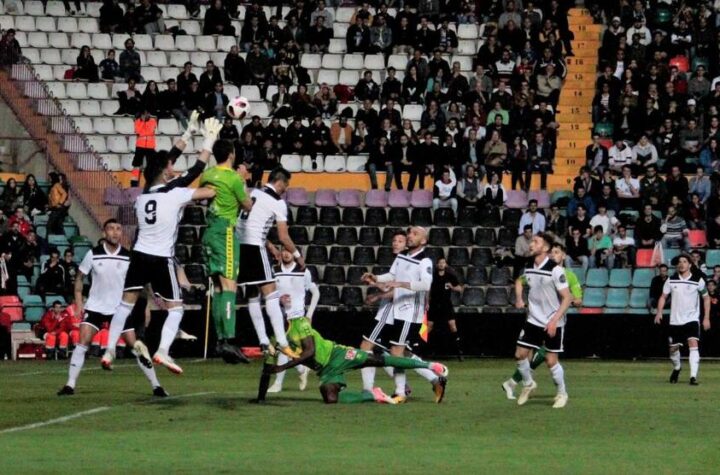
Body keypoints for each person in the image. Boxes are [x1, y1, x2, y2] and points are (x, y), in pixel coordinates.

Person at [101, 114, 218, 375]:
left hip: (139, 256)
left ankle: (109, 349)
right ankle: (163, 351)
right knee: (176, 309)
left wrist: (188, 134)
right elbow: (199, 174)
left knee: (125, 304)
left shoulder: (143, 196)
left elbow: (167, 163)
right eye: (171, 167)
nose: (174, 170)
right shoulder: (174, 193)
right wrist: (209, 139)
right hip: (161, 259)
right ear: (164, 171)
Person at [260, 294, 448, 405]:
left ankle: (430, 366)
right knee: (330, 398)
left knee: (380, 359)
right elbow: (267, 367)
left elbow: (309, 351)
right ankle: (371, 394)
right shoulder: (275, 337)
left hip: (337, 355)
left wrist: (282, 367)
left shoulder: (299, 323)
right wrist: (261, 397)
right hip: (325, 370)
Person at [57, 220, 167, 397]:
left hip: (119, 310)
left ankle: (156, 385)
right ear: (104, 233)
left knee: (137, 346)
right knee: (82, 342)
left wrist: (146, 308)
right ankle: (70, 385)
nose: (115, 233)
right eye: (111, 229)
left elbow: (142, 285)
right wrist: (78, 303)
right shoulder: (93, 254)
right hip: (95, 307)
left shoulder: (128, 256)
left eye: (118, 229)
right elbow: (79, 278)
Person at [361, 226, 434, 404]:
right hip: (398, 312)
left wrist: (400, 284)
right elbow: (391, 275)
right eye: (410, 233)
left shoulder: (425, 261)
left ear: (423, 241)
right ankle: (405, 389)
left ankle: (401, 390)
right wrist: (376, 278)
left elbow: (426, 284)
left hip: (410, 313)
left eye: (415, 234)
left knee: (396, 352)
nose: (410, 236)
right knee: (395, 352)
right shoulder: (402, 257)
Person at [237, 168, 305, 358]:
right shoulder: (277, 202)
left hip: (239, 245)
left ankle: (264, 342)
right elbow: (283, 236)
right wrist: (298, 255)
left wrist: (270, 247)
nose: (286, 188)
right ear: (280, 182)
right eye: (287, 184)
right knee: (272, 293)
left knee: (252, 295)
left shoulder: (254, 192)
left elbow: (250, 223)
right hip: (253, 247)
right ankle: (283, 342)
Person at [503, 242, 582, 400]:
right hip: (537, 320)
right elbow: (519, 281)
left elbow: (578, 300)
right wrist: (520, 299)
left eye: (557, 252)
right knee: (530, 355)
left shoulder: (568, 275)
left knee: (542, 356)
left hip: (555, 321)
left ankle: (513, 383)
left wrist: (568, 299)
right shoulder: (539, 271)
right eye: (552, 252)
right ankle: (517, 383)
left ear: (564, 255)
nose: (553, 255)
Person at [199, 140, 253, 364]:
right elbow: (248, 205)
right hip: (225, 232)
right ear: (231, 155)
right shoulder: (233, 178)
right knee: (230, 286)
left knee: (219, 287)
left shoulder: (207, 174)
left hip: (209, 232)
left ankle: (221, 341)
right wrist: (242, 179)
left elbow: (203, 196)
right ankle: (229, 339)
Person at [266, 248, 320, 394]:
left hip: (297, 318)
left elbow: (316, 292)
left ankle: (278, 383)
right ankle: (302, 369)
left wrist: (309, 315)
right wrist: (278, 299)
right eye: (284, 250)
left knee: (284, 349)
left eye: (290, 250)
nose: (286, 253)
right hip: (281, 317)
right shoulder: (274, 269)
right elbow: (269, 292)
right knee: (285, 349)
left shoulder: (303, 271)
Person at [655, 254, 711, 385]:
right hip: (675, 321)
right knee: (673, 349)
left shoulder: (698, 280)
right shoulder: (671, 280)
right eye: (679, 262)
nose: (681, 264)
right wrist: (659, 312)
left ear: (690, 264)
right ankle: (677, 367)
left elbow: (706, 298)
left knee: (693, 344)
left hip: (692, 319)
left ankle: (693, 377)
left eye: (685, 261)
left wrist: (706, 317)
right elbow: (663, 296)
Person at [427, 257, 464, 360]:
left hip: (446, 304)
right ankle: (419, 349)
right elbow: (428, 290)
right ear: (437, 265)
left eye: (443, 263)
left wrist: (452, 287)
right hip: (434, 304)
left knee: (452, 325)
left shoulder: (450, 276)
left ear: (445, 264)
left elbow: (460, 288)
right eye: (440, 263)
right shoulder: (432, 276)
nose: (441, 264)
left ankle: (459, 352)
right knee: (428, 327)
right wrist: (427, 302)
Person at [131, 110, 157, 187]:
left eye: (147, 113)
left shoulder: (153, 121)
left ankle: (151, 183)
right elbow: (137, 131)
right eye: (144, 114)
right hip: (140, 146)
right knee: (136, 165)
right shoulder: (137, 121)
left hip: (150, 146)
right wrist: (142, 122)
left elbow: (151, 131)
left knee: (151, 165)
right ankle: (134, 184)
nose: (146, 115)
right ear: (141, 114)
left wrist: (143, 130)